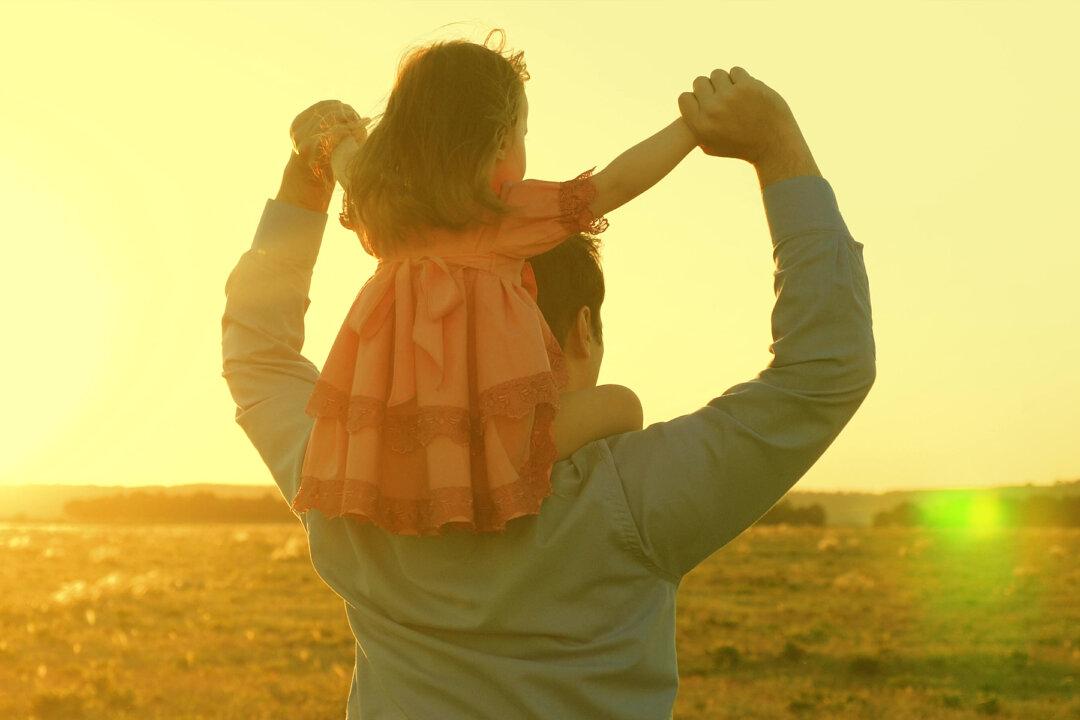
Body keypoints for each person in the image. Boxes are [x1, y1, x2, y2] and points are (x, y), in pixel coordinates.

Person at [221, 63, 876, 720]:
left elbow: (258, 353)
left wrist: (308, 179)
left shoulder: (344, 480)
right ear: (582, 330)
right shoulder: (630, 500)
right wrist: (776, 145)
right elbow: (825, 372)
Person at [292, 31, 698, 537]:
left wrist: (332, 131)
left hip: (390, 439)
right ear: (500, 139)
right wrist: (691, 128)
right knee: (622, 404)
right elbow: (615, 183)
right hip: (493, 441)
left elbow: (346, 159)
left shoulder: (383, 209)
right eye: (523, 133)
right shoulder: (501, 214)